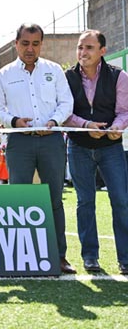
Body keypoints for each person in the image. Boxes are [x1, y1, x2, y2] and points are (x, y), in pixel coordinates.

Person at [0, 23, 74, 274]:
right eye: (25, 43)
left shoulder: (54, 71)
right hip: (19, 141)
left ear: (41, 44)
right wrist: (14, 122)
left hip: (51, 141)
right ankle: (18, 256)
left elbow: (66, 102)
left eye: (35, 43)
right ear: (16, 43)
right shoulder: (4, 75)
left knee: (54, 200)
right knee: (19, 199)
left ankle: (60, 256)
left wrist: (54, 122)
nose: (30, 48)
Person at [63, 29, 128, 274]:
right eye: (80, 47)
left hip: (111, 147)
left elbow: (124, 111)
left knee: (121, 201)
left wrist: (117, 127)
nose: (83, 52)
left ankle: (126, 259)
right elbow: (64, 112)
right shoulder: (66, 77)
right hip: (78, 146)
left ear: (102, 51)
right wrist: (86, 126)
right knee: (85, 202)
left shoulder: (119, 76)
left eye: (89, 47)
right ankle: (90, 257)